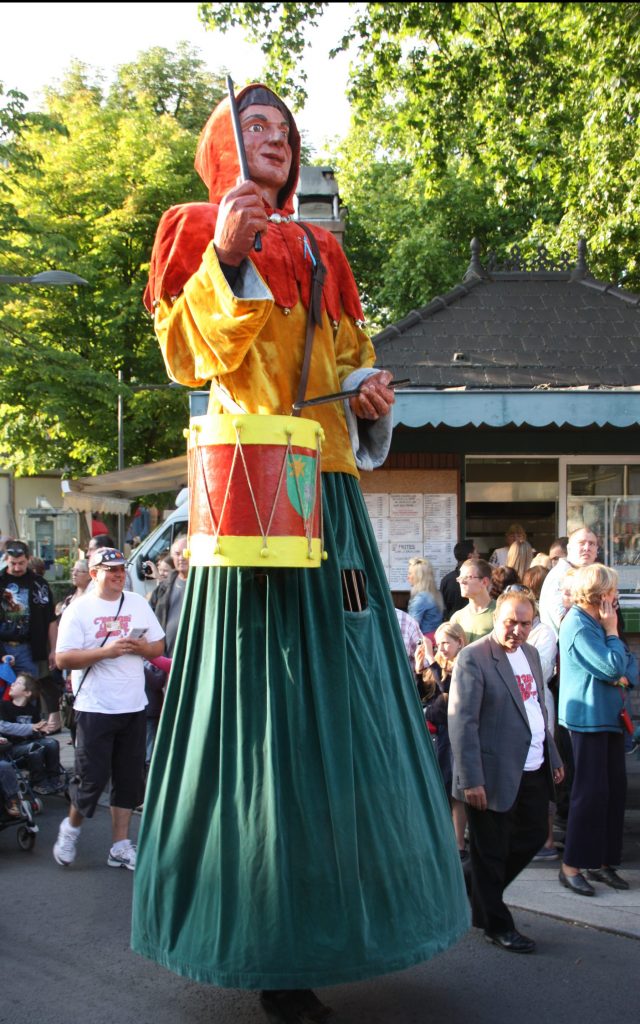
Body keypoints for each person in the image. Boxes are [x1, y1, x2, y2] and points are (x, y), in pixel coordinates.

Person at [132, 83, 468, 1020]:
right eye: (255, 128)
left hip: (331, 496)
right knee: (264, 715)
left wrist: (367, 394)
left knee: (354, 695)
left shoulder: (326, 249)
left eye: (284, 129)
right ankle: (267, 934)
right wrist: (228, 257)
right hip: (252, 507)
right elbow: (189, 360)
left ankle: (358, 906)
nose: (274, 139)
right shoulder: (193, 227)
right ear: (222, 148)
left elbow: (345, 364)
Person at [448, 590, 564, 954]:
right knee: (491, 852)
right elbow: (462, 723)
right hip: (490, 773)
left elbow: (536, 712)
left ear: (533, 624)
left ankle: (470, 885)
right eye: (509, 622)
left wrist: (554, 755)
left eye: (524, 623)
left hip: (533, 766)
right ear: (497, 618)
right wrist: (471, 780)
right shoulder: (473, 658)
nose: (516, 630)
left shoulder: (530, 653)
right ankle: (496, 923)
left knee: (531, 837)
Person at [53, 548, 164, 870]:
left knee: (129, 782)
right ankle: (71, 829)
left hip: (133, 705)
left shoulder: (138, 603)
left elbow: (158, 645)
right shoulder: (79, 609)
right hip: (95, 707)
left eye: (121, 569)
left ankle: (120, 845)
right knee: (91, 780)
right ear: (94, 573)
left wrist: (142, 648)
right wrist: (107, 652)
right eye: (111, 569)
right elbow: (63, 659)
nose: (119, 574)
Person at [557, 564, 638, 896]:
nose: (616, 596)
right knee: (589, 795)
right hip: (587, 720)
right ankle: (571, 866)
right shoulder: (578, 623)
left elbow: (628, 665)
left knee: (613, 793)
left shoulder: (601, 623)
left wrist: (615, 650)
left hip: (610, 718)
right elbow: (612, 666)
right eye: (613, 590)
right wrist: (613, 635)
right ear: (600, 594)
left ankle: (603, 863)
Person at [415, 622, 468, 860]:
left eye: (447, 642)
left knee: (453, 788)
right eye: (439, 644)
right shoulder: (435, 664)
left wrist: (430, 659)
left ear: (460, 642)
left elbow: (448, 689)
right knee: (437, 786)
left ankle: (458, 843)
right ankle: (440, 839)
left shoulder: (463, 665)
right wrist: (419, 669)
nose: (442, 648)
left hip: (453, 733)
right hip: (434, 733)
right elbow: (422, 694)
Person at [0, 540, 60, 732]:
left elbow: (51, 619)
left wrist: (54, 649)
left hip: (28, 647)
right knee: (4, 693)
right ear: (6, 560)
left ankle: (31, 731)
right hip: (3, 644)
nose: (17, 568)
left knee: (28, 693)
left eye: (21, 563)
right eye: (12, 564)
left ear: (28, 560)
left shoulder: (38, 583)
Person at [0, 673, 64, 794]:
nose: (12, 684)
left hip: (29, 743)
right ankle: (38, 782)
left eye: (18, 683)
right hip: (12, 747)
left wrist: (42, 730)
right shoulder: (4, 706)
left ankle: (54, 778)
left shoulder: (32, 709)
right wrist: (32, 727)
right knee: (35, 747)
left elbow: (35, 732)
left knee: (52, 743)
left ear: (27, 693)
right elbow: (3, 727)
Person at [539, 527, 598, 635]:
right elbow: (564, 622)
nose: (587, 548)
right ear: (569, 548)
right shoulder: (560, 576)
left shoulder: (584, 575)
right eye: (582, 543)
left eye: (592, 544)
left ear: (596, 550)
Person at [450, 559, 495, 644]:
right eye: (460, 578)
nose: (462, 582)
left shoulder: (501, 612)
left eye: (467, 577)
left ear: (484, 582)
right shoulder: (457, 618)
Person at [406, 556, 444, 637]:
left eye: (410, 573)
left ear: (418, 576)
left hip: (424, 642)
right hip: (435, 639)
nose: (407, 577)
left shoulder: (421, 599)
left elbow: (411, 627)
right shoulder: (435, 594)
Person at [439, 540, 476, 619]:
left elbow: (442, 608)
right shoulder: (477, 579)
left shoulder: (446, 580)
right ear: (470, 556)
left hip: (451, 624)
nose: (479, 555)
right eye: (476, 552)